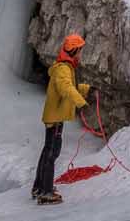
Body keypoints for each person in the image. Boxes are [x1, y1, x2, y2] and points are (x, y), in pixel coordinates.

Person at [33, 32, 91, 204]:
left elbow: (70, 87)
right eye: (80, 50)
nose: (81, 54)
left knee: (47, 151)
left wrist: (87, 89)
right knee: (52, 153)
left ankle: (39, 187)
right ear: (73, 51)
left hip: (54, 116)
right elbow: (66, 88)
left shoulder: (63, 67)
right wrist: (81, 103)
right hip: (55, 118)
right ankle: (46, 193)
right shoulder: (64, 69)